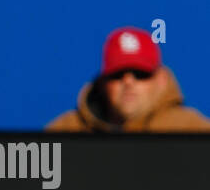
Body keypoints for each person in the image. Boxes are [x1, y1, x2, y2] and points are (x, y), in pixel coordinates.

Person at [46, 26, 210, 133]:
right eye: (118, 74)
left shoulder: (191, 129)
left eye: (140, 74)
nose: (128, 82)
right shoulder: (67, 130)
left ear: (162, 80)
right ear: (103, 83)